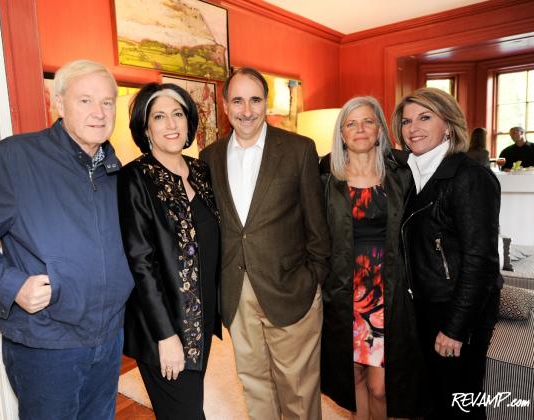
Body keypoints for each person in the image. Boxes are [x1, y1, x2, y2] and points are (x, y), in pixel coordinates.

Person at [0, 60, 134, 419]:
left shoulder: (114, 169)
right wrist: (13, 285)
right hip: (46, 345)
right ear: (59, 104)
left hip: (108, 340)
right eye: (85, 101)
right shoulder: (15, 159)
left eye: (108, 102)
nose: (99, 112)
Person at [200, 67, 330, 420]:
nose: (247, 110)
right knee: (254, 384)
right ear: (225, 106)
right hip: (236, 290)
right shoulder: (209, 157)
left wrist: (313, 276)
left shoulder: (299, 149)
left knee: (298, 389)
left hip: (291, 287)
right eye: (238, 100)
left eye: (255, 100)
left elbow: (317, 225)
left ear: (266, 103)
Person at [392, 87, 501, 419]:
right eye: (407, 121)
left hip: (456, 310)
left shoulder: (470, 177)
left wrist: (455, 327)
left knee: (461, 405)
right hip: (428, 306)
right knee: (437, 400)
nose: (414, 128)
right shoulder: (417, 174)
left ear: (449, 125)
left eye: (425, 117)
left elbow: (480, 260)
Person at [320, 96, 427, 420]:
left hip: (390, 291)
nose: (360, 129)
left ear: (380, 128)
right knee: (352, 378)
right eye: (351, 123)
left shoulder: (404, 172)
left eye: (367, 121)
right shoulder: (325, 176)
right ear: (341, 134)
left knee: (382, 386)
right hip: (343, 292)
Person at [118, 82, 221, 419]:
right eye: (159, 116)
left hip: (200, 322)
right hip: (164, 328)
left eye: (177, 114)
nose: (171, 124)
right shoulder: (135, 178)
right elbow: (141, 263)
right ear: (145, 128)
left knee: (187, 409)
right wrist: (166, 336)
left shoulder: (202, 171)